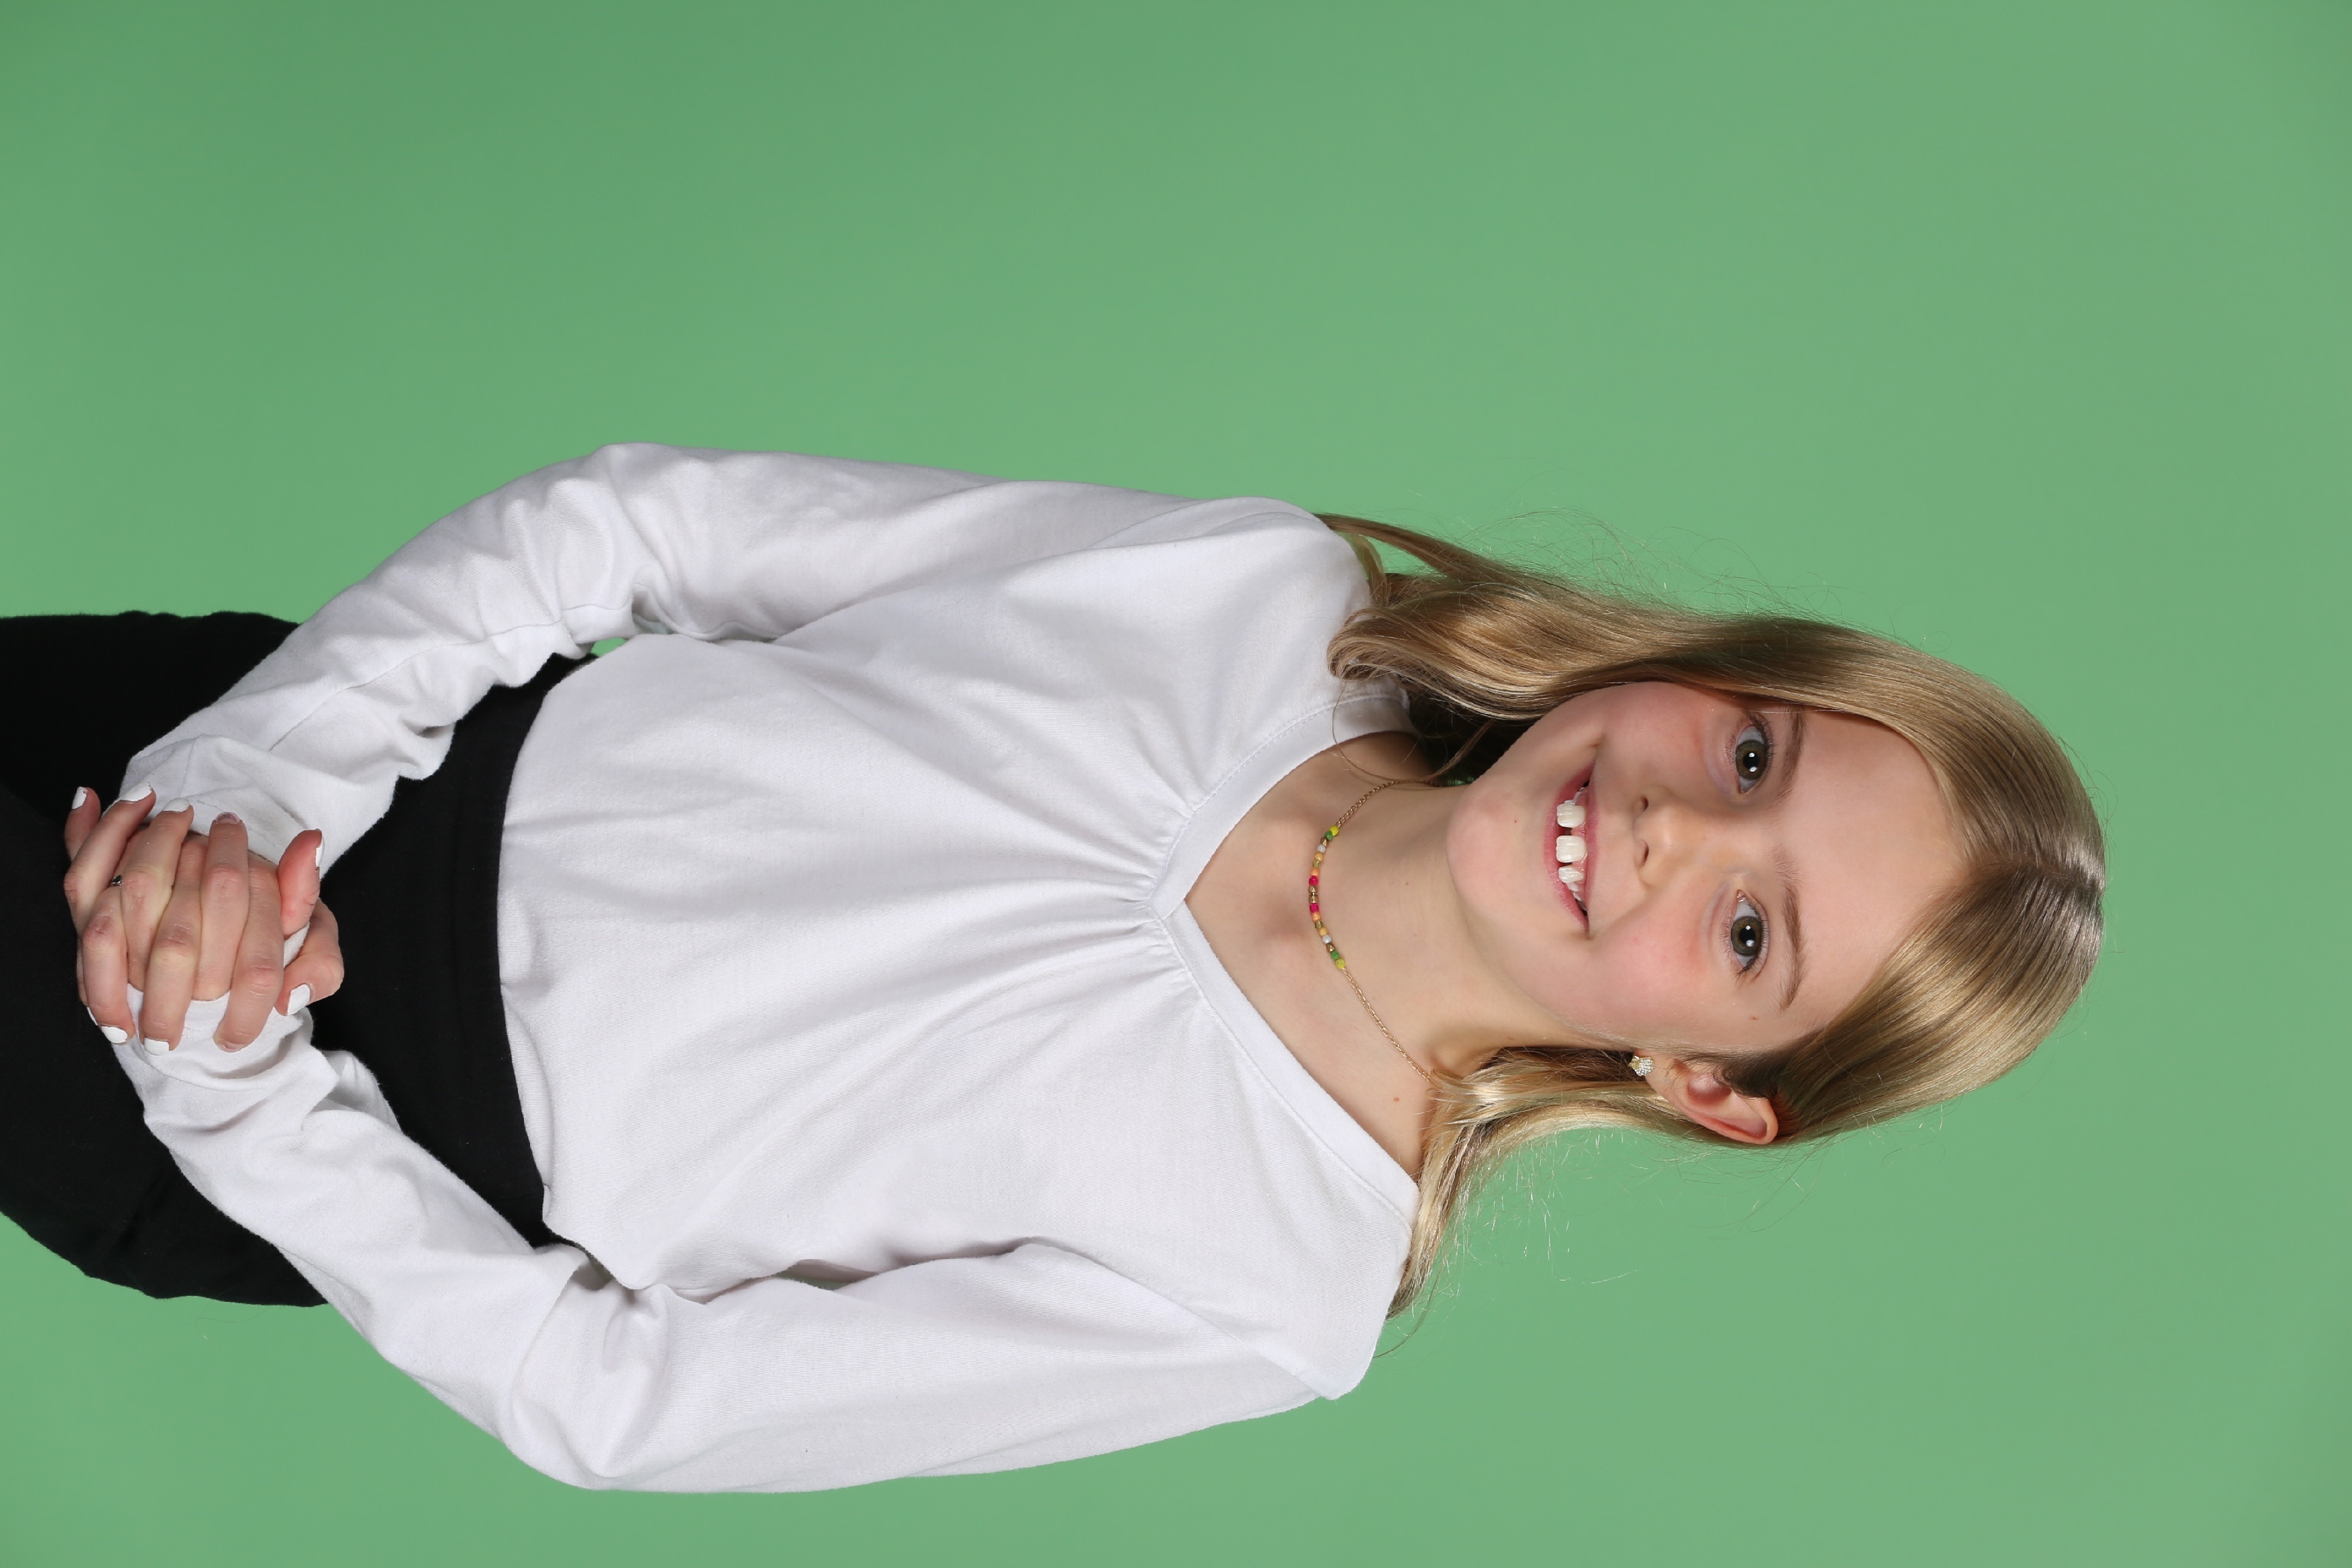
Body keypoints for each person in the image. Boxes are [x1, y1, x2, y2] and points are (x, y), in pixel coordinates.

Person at [0, 446, 2105, 1491]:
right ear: (1721, 674)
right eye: (1753, 757)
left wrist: (229, 1062)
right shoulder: (1259, 601)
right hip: (308, 724)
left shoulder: (1266, 1286)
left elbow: (621, 1400)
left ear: (1710, 1086)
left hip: (283, 1124)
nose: (1670, 829)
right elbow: (641, 526)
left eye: (1749, 931)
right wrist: (251, 786)